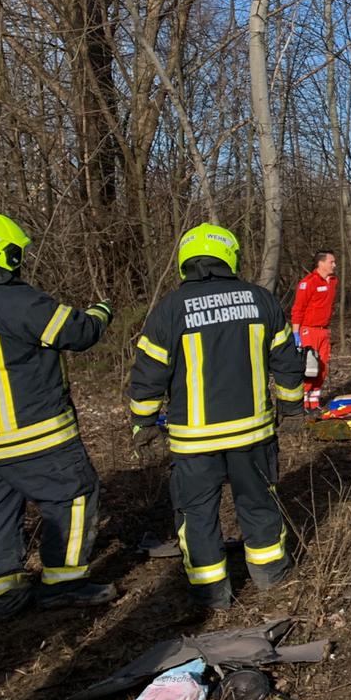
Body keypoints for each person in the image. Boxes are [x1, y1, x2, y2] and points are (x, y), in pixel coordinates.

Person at [0, 213, 117, 618]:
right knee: (74, 496)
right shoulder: (21, 301)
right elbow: (78, 333)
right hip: (39, 435)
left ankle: (4, 594)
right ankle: (64, 583)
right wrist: (101, 312)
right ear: (5, 255)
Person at [128, 224, 306, 609]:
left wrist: (143, 421)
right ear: (230, 257)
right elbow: (287, 360)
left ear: (186, 261)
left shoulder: (170, 309)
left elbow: (148, 372)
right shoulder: (260, 300)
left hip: (194, 441)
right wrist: (292, 407)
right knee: (259, 502)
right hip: (252, 433)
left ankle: (212, 593)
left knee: (196, 514)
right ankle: (270, 574)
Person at [291, 249, 337, 409]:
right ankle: (302, 403)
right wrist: (296, 333)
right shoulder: (308, 282)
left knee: (322, 368)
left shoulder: (333, 281)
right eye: (331, 262)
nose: (334, 265)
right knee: (309, 367)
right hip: (308, 331)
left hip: (324, 330)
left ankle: (314, 402)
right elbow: (298, 308)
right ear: (321, 263)